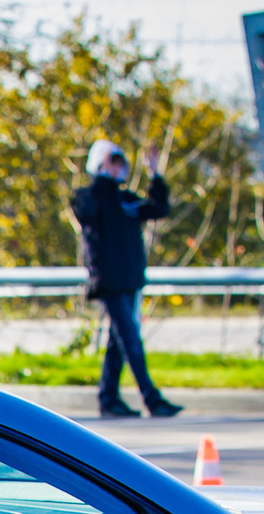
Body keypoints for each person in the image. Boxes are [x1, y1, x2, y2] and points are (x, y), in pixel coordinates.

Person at [71, 139, 182, 420]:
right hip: (108, 282)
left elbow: (158, 209)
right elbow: (88, 211)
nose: (119, 167)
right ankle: (152, 399)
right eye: (113, 161)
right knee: (129, 338)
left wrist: (154, 173)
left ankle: (108, 399)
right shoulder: (89, 197)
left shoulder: (126, 200)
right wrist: (102, 173)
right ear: (99, 164)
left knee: (118, 341)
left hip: (130, 279)